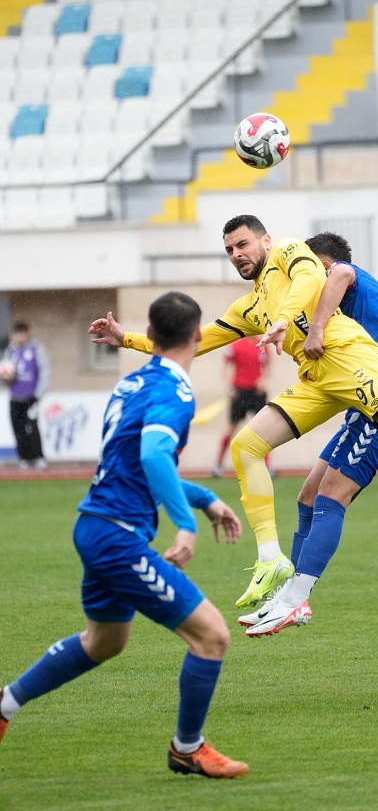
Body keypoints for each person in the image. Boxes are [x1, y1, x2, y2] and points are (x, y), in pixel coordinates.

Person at [88, 215, 378, 634]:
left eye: (243, 244)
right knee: (246, 446)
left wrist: (297, 324)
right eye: (229, 250)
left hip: (352, 360)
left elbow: (313, 276)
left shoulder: (291, 253)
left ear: (265, 239)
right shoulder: (250, 307)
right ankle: (272, 560)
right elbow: (197, 340)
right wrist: (123, 339)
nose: (237, 255)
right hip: (317, 380)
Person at [0, 291, 249, 780]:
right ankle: (187, 747)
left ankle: (4, 705)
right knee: (212, 636)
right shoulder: (176, 393)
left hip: (94, 524)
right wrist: (186, 522)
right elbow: (156, 455)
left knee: (104, 641)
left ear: (150, 336)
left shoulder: (130, 382)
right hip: (117, 536)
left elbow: (136, 463)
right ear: (198, 336)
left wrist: (204, 499)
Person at [238, 230, 378, 632]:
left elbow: (335, 279)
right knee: (307, 495)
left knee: (332, 493)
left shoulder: (341, 275)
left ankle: (296, 599)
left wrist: (315, 330)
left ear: (326, 263)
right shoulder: (351, 295)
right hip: (363, 397)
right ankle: (286, 598)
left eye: (312, 270)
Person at [212, 336, 272, 478]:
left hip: (257, 392)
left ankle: (267, 466)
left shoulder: (262, 345)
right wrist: (228, 386)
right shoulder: (236, 346)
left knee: (264, 429)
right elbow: (226, 364)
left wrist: (262, 381)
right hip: (240, 391)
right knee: (231, 427)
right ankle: (218, 464)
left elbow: (267, 365)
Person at [1, 319, 50, 470]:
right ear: (14, 335)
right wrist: (6, 378)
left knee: (32, 427)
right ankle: (24, 458)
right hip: (15, 397)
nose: (20, 337)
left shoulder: (36, 349)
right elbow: (5, 375)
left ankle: (39, 456)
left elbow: (45, 372)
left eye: (23, 333)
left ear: (27, 334)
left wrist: (38, 394)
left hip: (31, 397)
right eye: (17, 333)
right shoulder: (10, 351)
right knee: (18, 429)